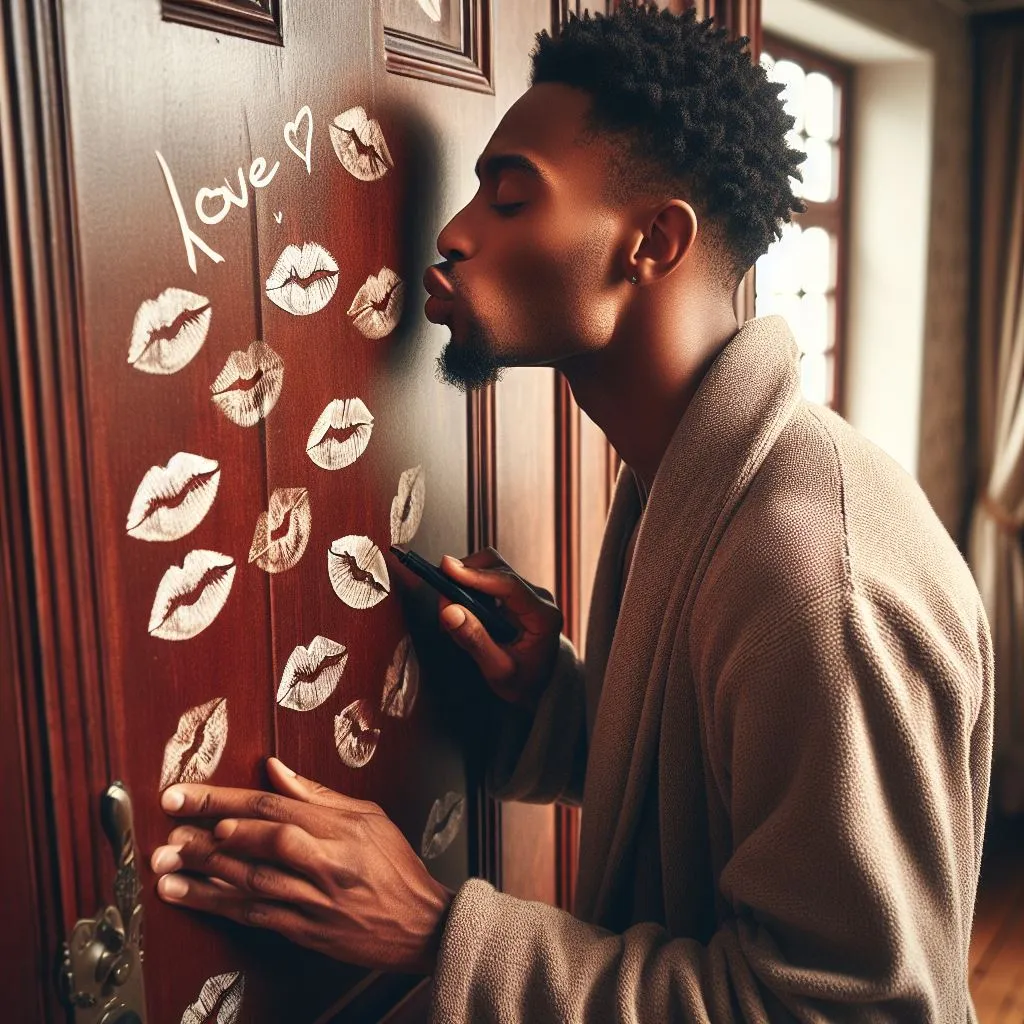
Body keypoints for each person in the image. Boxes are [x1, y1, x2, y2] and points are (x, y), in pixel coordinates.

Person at [150, 3, 995, 1020]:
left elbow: (847, 1009)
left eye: (510, 200)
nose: (454, 235)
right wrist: (556, 704)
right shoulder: (687, 474)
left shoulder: (815, 574)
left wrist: (433, 927)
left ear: (651, 240)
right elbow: (722, 801)